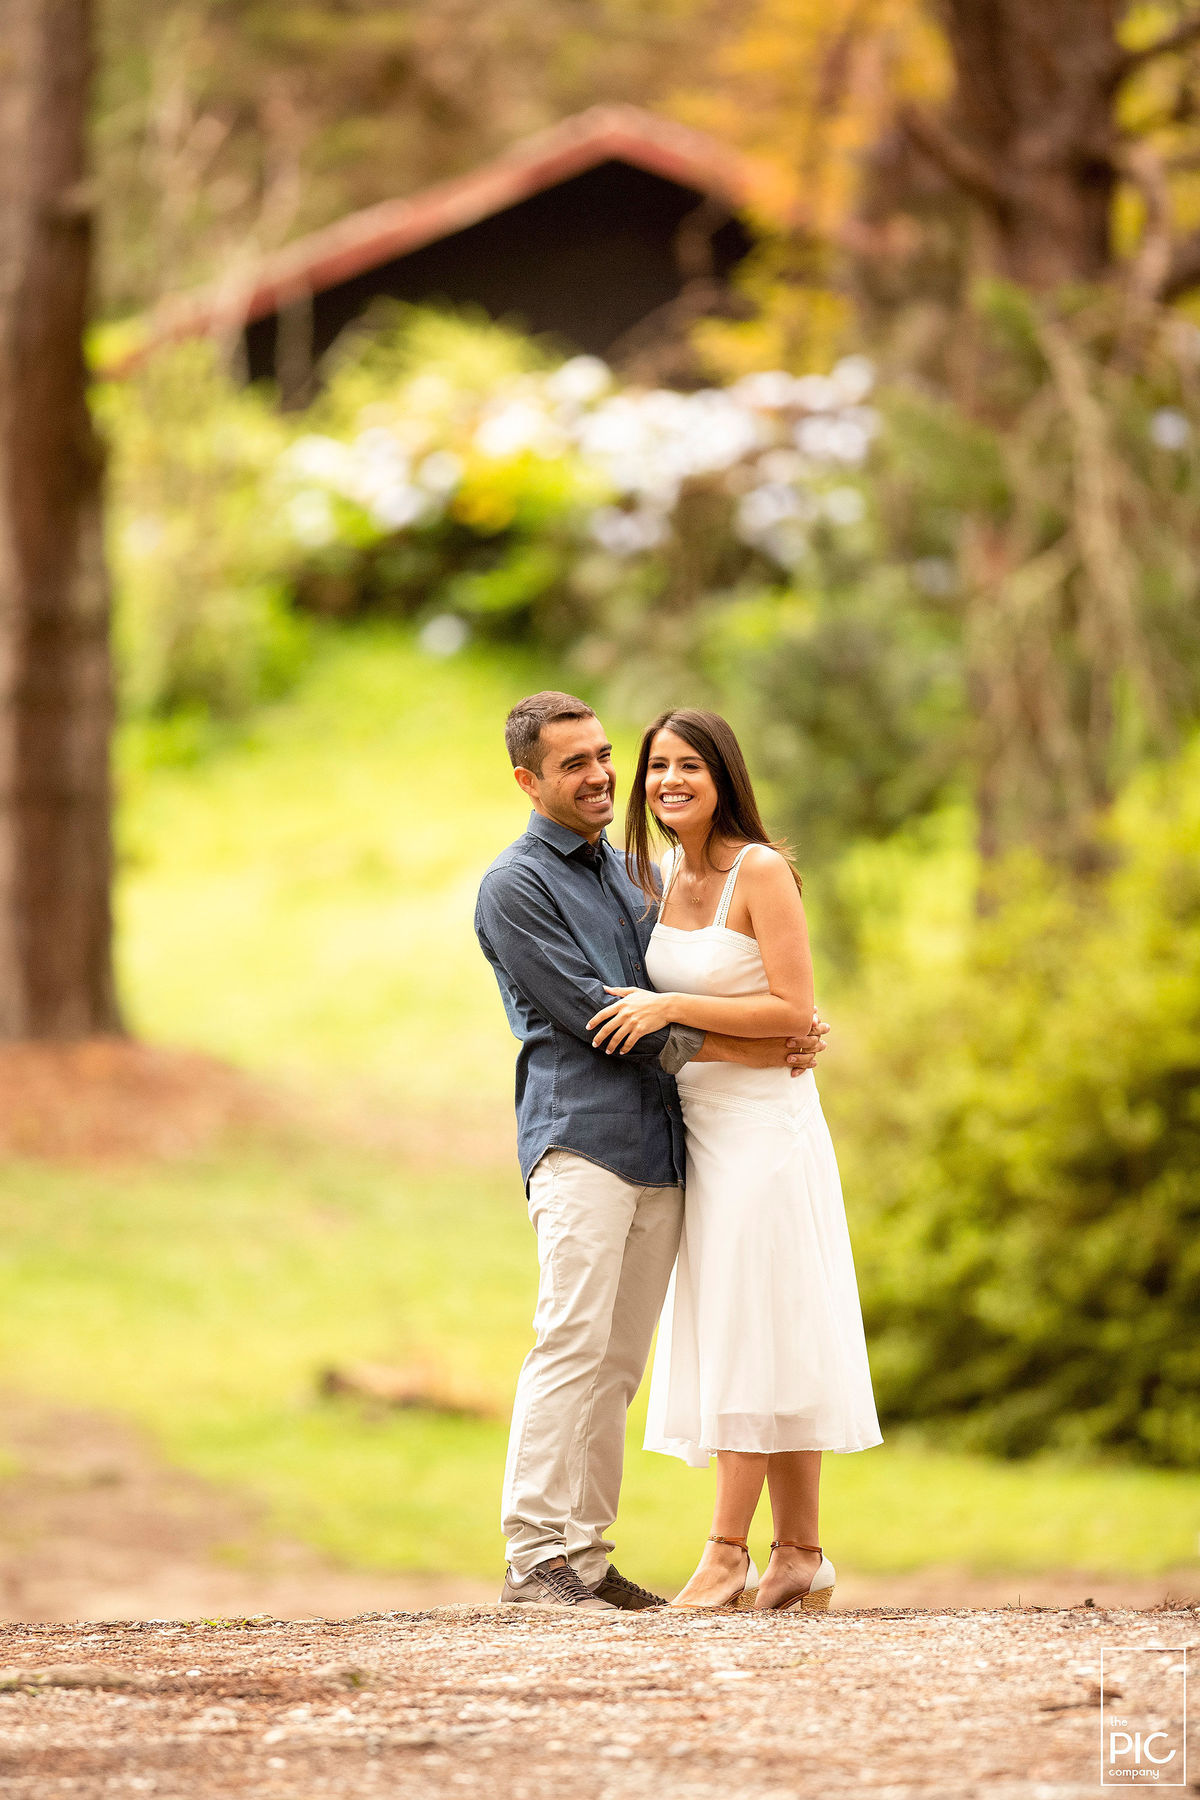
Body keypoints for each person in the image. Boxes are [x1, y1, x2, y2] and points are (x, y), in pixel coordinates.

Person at [474, 691, 828, 1614]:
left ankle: (583, 1556)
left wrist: (773, 1028)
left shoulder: (635, 873)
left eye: (601, 756)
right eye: (571, 763)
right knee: (571, 1344)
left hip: (667, 1148)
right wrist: (771, 1042)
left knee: (619, 1359)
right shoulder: (516, 887)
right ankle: (534, 1555)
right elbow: (607, 1019)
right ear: (528, 780)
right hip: (582, 1140)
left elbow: (693, 981)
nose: (598, 775)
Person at [587, 708, 881, 1612]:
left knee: (751, 1322)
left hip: (765, 1132)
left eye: (689, 767)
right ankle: (800, 1555)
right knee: (764, 1321)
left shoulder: (762, 871)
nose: (669, 781)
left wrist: (672, 1011)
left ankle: (725, 1553)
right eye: (656, 768)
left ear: (724, 777)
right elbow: (745, 1029)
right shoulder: (660, 876)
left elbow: (796, 1012)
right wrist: (710, 1037)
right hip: (700, 1128)